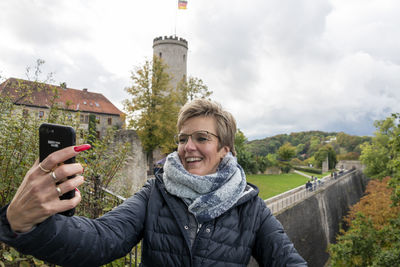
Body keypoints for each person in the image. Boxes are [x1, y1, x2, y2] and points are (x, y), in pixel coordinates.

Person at [0, 99, 307, 266]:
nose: (188, 147)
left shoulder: (249, 206)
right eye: (183, 138)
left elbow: (286, 259)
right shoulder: (156, 193)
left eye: (202, 138)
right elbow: (101, 239)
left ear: (225, 148)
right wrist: (26, 225)